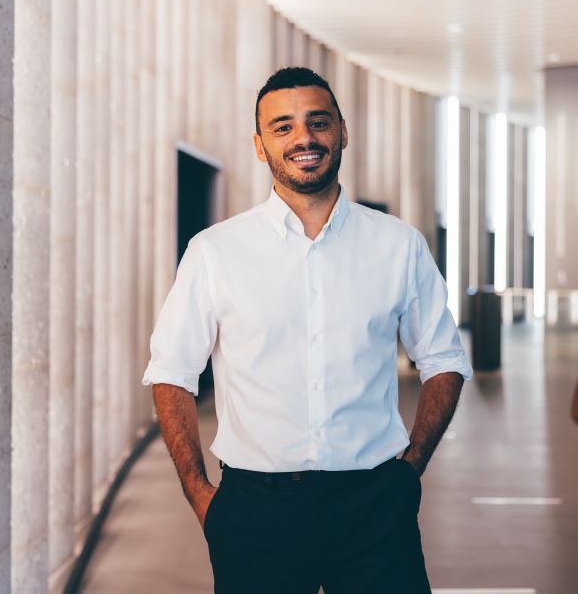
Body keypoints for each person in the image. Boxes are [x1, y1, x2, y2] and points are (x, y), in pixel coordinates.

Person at [144, 66, 472, 594]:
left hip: (376, 508)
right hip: (256, 511)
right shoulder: (215, 251)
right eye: (283, 126)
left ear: (342, 131)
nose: (303, 138)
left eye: (318, 123)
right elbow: (171, 373)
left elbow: (443, 360)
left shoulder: (398, 245)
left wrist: (410, 471)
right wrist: (200, 494)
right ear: (260, 145)